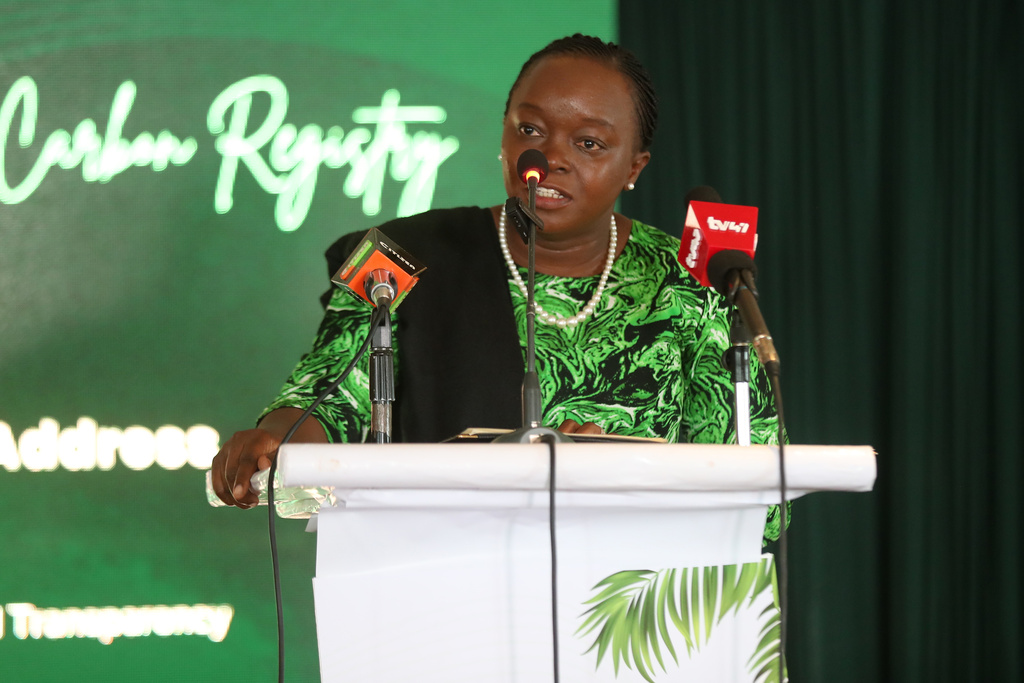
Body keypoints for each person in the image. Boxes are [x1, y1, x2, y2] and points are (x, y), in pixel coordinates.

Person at [210, 34, 785, 543]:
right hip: (443, 583)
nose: (550, 157)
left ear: (635, 166)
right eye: (530, 129)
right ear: (504, 135)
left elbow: (751, 489)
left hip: (633, 614)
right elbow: (329, 395)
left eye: (588, 143)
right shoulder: (396, 256)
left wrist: (606, 466)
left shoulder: (691, 280)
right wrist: (272, 441)